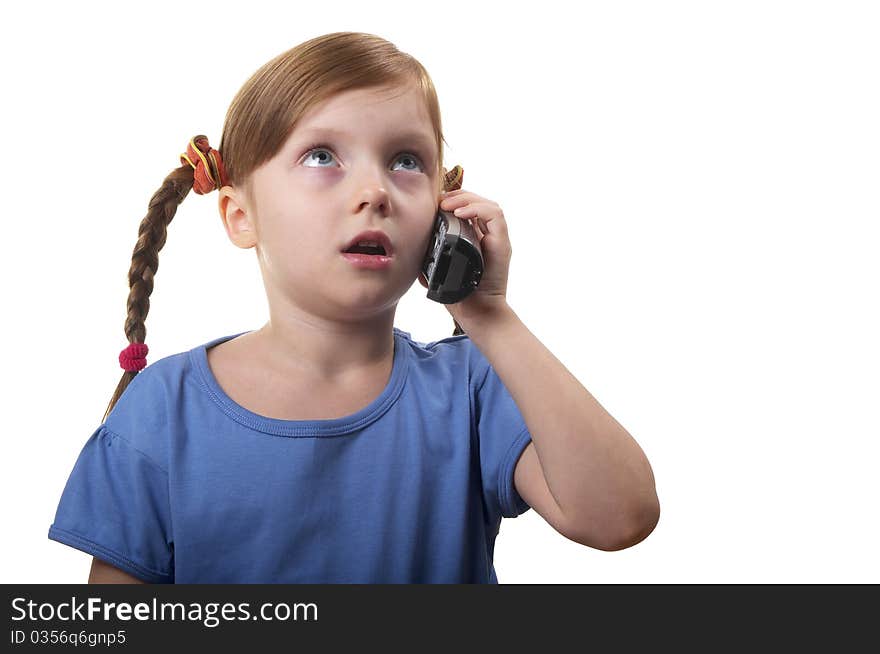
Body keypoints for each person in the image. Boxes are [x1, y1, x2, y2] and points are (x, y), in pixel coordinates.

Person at [48, 32, 660, 584]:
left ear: (442, 210)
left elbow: (618, 518)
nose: (375, 192)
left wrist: (490, 316)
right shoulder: (161, 410)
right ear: (241, 215)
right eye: (322, 157)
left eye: (406, 161)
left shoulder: (473, 388)